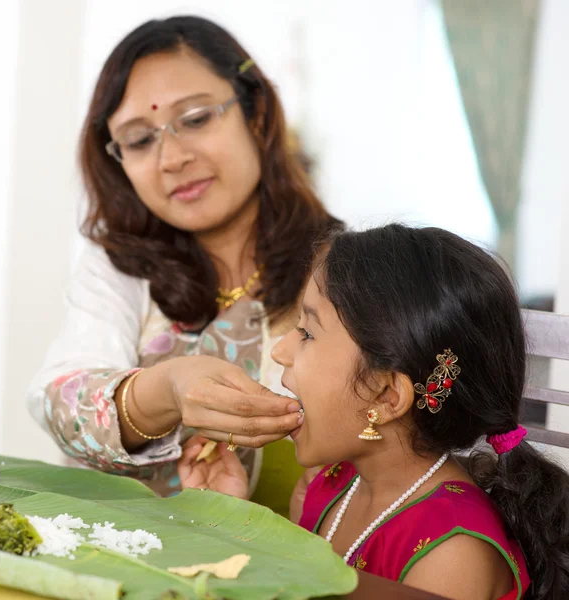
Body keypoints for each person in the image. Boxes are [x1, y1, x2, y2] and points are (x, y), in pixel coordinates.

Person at [27, 15, 340, 516]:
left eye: (195, 119)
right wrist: (168, 387)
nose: (171, 158)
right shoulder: (119, 268)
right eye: (139, 139)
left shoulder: (344, 266)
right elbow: (55, 401)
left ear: (256, 113)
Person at [177, 224, 569, 600]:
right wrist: (226, 517)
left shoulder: (451, 556)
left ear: (385, 396)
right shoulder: (333, 482)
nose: (280, 351)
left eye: (307, 333)